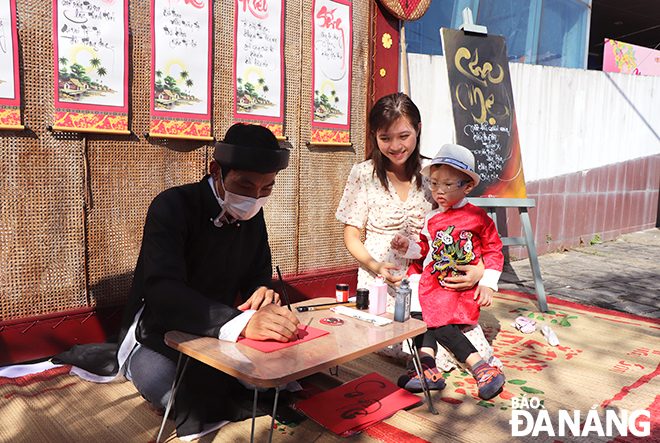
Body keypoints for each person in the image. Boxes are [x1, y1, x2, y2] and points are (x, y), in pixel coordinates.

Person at [54, 123, 301, 439]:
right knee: (173, 394)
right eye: (245, 185)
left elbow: (257, 277)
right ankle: (132, 365)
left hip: (224, 330)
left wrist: (262, 296)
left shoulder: (252, 215)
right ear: (216, 171)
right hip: (160, 330)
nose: (254, 198)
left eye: (266, 188)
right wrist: (240, 323)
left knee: (281, 377)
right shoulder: (171, 205)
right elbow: (163, 290)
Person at [335, 92, 485, 363]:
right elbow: (352, 236)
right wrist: (377, 266)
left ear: (418, 129)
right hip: (382, 281)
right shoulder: (363, 174)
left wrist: (479, 270)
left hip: (434, 278)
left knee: (472, 345)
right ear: (374, 136)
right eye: (385, 138)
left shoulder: (437, 174)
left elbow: (466, 228)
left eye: (403, 136)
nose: (395, 146)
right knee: (405, 343)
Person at [390, 143, 506, 400]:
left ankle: (481, 368)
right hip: (431, 284)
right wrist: (407, 246)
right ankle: (428, 370)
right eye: (433, 184)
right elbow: (425, 248)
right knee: (422, 320)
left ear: (467, 186)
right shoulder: (431, 218)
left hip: (457, 288)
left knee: (438, 322)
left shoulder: (478, 218)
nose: (438, 191)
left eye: (447, 184)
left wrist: (487, 283)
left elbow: (494, 250)